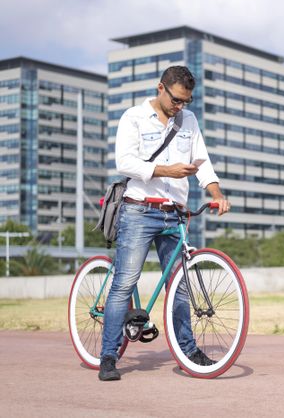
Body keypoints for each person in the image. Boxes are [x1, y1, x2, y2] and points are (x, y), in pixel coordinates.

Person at [98, 66, 230, 381]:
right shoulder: (133, 118)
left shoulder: (189, 121)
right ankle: (108, 356)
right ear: (161, 88)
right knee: (124, 283)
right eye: (176, 100)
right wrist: (166, 171)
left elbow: (203, 162)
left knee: (180, 287)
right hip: (140, 210)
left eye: (186, 101)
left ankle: (188, 351)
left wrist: (216, 194)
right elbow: (125, 162)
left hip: (175, 213)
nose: (180, 106)